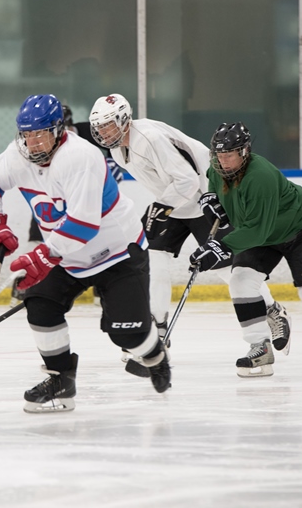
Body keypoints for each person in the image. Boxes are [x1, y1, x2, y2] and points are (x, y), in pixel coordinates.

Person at [0, 94, 171, 413]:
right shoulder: (18, 155)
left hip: (119, 251)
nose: (33, 143)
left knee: (130, 334)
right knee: (39, 304)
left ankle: (155, 355)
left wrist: (41, 256)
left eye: (40, 134)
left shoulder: (81, 157)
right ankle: (60, 381)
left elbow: (82, 224)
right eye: (26, 134)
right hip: (67, 256)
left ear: (58, 131)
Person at [87, 94, 291, 376]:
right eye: (99, 127)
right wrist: (163, 206)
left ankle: (272, 310)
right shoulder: (118, 151)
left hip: (203, 197)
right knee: (153, 259)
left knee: (227, 271)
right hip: (175, 202)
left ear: (125, 120)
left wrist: (162, 206)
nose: (103, 132)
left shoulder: (148, 139)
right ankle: (157, 332)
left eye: (108, 125)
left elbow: (186, 179)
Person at [188, 122, 302, 377]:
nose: (223, 162)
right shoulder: (216, 170)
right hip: (263, 232)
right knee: (241, 280)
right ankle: (260, 349)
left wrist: (221, 247)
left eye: (229, 155)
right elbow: (218, 194)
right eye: (219, 156)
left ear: (244, 152)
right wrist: (212, 202)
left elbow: (258, 232)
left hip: (301, 230)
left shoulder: (260, 176)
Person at [10, 103, 124, 307]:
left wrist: (115, 164)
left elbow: (118, 145)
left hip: (85, 195)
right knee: (41, 237)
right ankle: (23, 290)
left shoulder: (89, 133)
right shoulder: (37, 145)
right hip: (52, 195)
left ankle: (102, 292)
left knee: (97, 240)